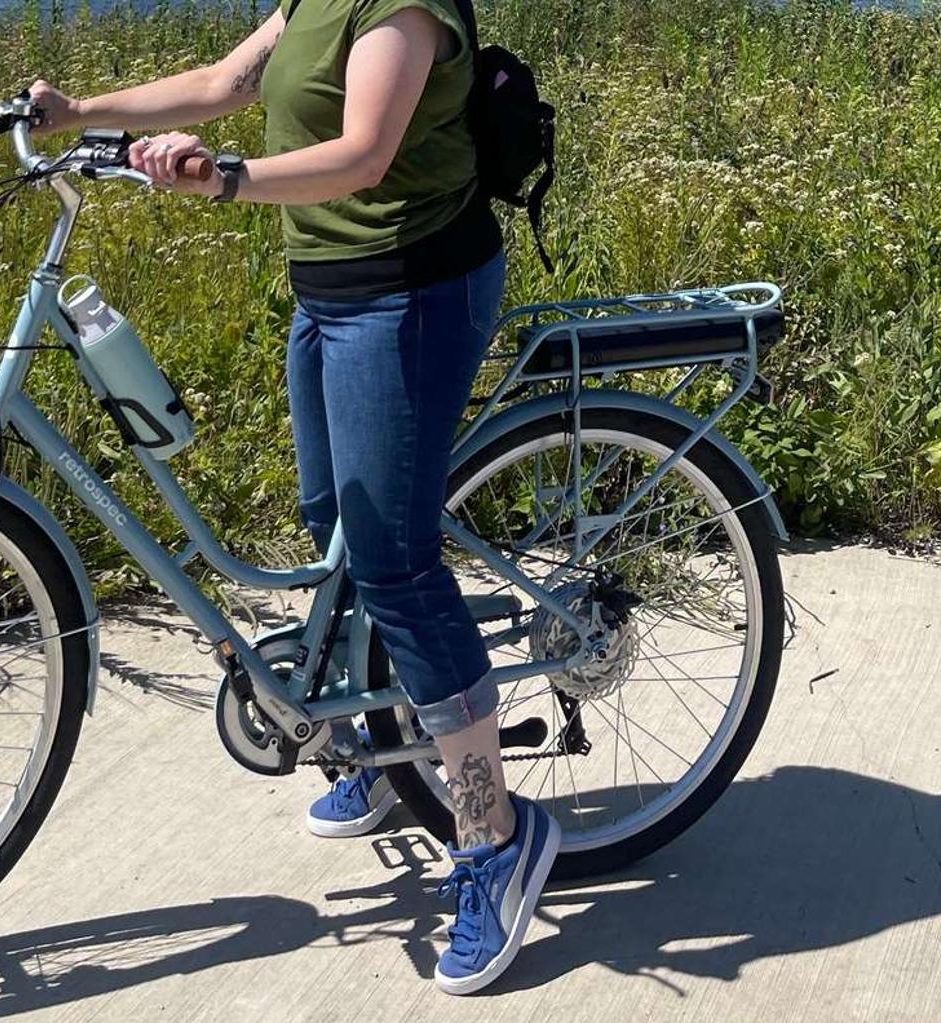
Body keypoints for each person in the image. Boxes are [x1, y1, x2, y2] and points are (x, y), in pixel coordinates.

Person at [29, 0, 557, 996]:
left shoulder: (402, 7)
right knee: (334, 528)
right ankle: (381, 730)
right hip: (329, 290)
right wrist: (77, 114)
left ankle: (492, 834)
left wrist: (220, 179)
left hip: (409, 295)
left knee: (395, 566)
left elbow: (361, 156)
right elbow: (226, 82)